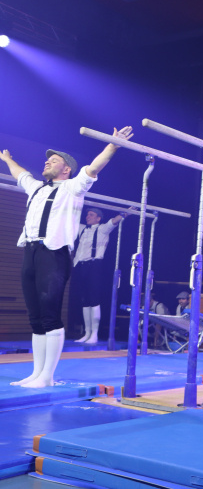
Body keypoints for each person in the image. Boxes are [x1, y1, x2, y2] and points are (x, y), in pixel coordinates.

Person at [1, 126, 134, 388]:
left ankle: (47, 377)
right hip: (31, 251)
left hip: (55, 254)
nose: (47, 162)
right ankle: (36, 373)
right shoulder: (36, 188)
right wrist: (6, 159)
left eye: (54, 160)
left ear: (66, 169)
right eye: (47, 160)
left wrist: (112, 145)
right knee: (35, 317)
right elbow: (20, 174)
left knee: (50, 315)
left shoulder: (73, 187)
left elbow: (93, 168)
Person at [72, 207, 125, 344]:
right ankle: (87, 332)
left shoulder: (102, 229)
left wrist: (126, 213)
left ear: (98, 218)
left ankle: (94, 334)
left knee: (94, 299)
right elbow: (70, 220)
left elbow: (114, 221)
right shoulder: (82, 228)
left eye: (91, 215)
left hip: (94, 265)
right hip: (80, 265)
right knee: (84, 301)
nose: (88, 216)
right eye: (87, 214)